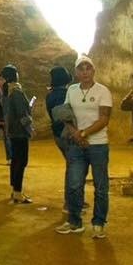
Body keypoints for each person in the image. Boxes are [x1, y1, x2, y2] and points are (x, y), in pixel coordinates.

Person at [56, 55, 112, 239]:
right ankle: (75, 221)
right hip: (76, 145)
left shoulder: (103, 91)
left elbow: (104, 119)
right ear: (76, 72)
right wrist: (75, 133)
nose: (85, 72)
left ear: (93, 71)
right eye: (81, 69)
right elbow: (65, 114)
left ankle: (98, 223)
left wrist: (84, 133)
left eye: (88, 68)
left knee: (101, 186)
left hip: (98, 145)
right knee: (74, 184)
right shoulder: (71, 90)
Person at [1, 65, 34, 204]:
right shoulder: (17, 92)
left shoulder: (7, 92)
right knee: (21, 161)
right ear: (15, 76)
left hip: (13, 132)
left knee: (15, 161)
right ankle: (18, 193)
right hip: (20, 132)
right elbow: (22, 114)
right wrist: (30, 128)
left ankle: (15, 190)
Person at [45, 65, 73, 211]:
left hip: (57, 135)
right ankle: (70, 202)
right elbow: (65, 116)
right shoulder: (64, 94)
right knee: (73, 167)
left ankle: (73, 200)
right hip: (66, 134)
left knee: (72, 166)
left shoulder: (50, 95)